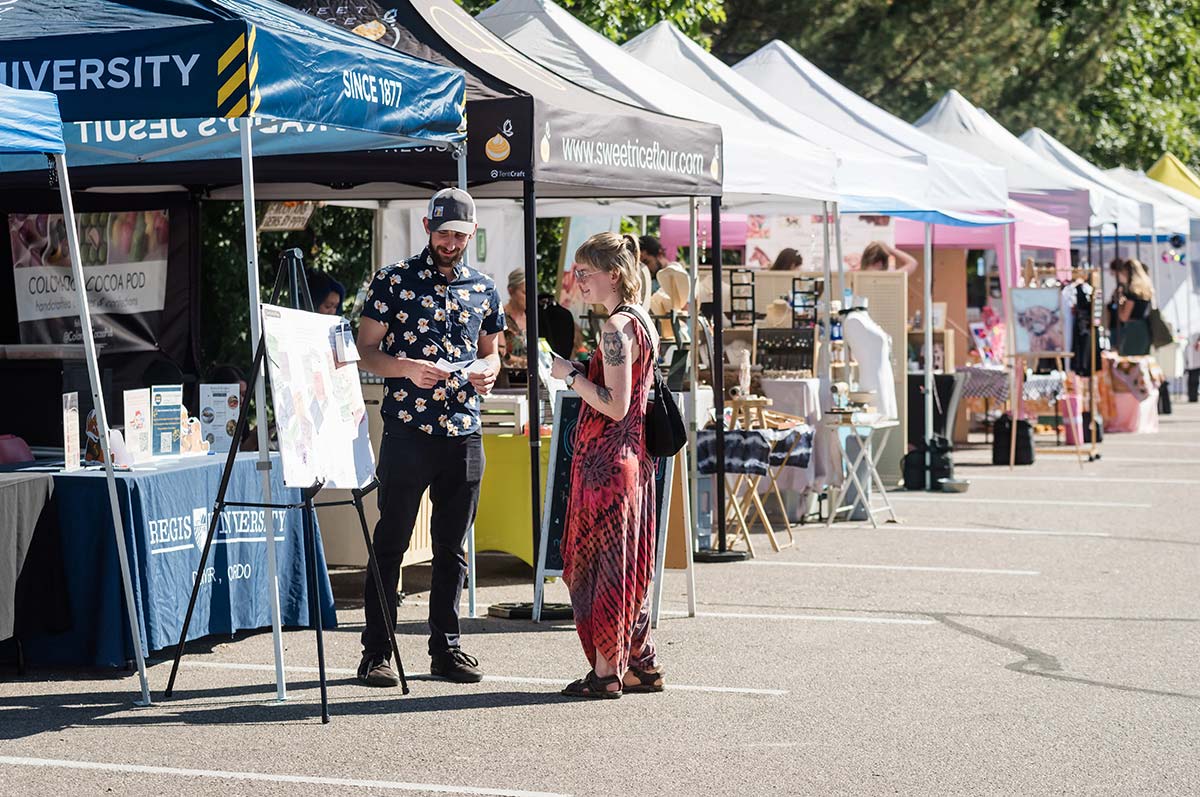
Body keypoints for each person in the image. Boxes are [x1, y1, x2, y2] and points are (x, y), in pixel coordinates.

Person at [354, 187, 503, 687]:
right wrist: (405, 369)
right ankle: (376, 651)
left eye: (459, 235)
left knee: (452, 548)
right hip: (408, 430)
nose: (450, 242)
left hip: (463, 430)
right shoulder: (392, 280)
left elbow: (492, 352)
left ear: (472, 234)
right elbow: (365, 351)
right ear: (426, 228)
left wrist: (487, 371)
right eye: (443, 233)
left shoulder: (483, 287)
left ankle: (447, 647)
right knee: (391, 541)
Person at [549, 232, 663, 698]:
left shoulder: (616, 328)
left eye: (586, 274)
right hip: (630, 459)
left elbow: (614, 404)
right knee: (624, 564)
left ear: (612, 274)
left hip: (609, 464)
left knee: (600, 569)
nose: (579, 283)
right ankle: (639, 665)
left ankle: (605, 673)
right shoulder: (642, 321)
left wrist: (570, 374)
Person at [1109, 257, 1154, 356]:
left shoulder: (1132, 292)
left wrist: (1119, 303)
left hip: (1132, 330)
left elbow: (1124, 317)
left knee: (1129, 362)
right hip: (1144, 329)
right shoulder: (1146, 289)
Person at [500, 267, 528, 370]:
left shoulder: (533, 319)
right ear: (511, 291)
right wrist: (524, 362)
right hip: (509, 380)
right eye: (525, 293)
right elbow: (501, 354)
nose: (530, 297)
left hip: (532, 379)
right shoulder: (500, 317)